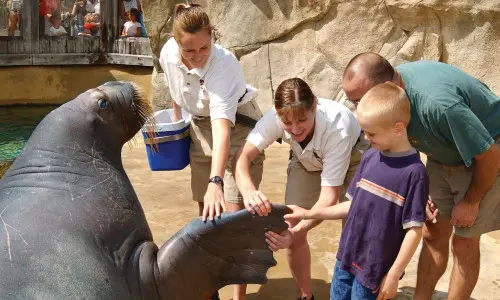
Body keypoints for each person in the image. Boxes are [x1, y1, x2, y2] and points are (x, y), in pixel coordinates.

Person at [341, 52, 500, 299]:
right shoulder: (392, 98)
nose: (358, 108)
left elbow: (489, 155)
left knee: (464, 240)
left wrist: (471, 201)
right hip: (444, 149)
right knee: (433, 230)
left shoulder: (439, 105)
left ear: (388, 88)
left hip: (488, 149)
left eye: (359, 100)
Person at [157, 4, 264, 300]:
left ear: (212, 36)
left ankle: (237, 297)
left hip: (237, 129)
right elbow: (175, 87)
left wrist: (216, 181)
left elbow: (223, 131)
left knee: (235, 219)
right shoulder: (168, 52)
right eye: (189, 51)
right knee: (205, 215)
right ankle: (209, 289)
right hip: (200, 128)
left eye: (204, 47)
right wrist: (177, 126)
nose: (198, 56)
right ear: (176, 42)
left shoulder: (223, 64)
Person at [284, 82, 428, 300]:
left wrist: (393, 274)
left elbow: (414, 230)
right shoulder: (370, 157)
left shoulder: (414, 173)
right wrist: (308, 213)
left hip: (374, 269)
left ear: (398, 129)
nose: (366, 139)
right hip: (346, 258)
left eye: (371, 134)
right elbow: (351, 205)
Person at [233, 77, 361, 300]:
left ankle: (360, 292)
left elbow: (328, 199)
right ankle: (305, 296)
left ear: (315, 106)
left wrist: (298, 231)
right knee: (289, 224)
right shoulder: (275, 118)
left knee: (355, 232)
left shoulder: (336, 127)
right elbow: (241, 156)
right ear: (277, 113)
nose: (294, 129)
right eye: (287, 123)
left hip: (354, 156)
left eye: (302, 120)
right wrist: (248, 191)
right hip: (306, 159)